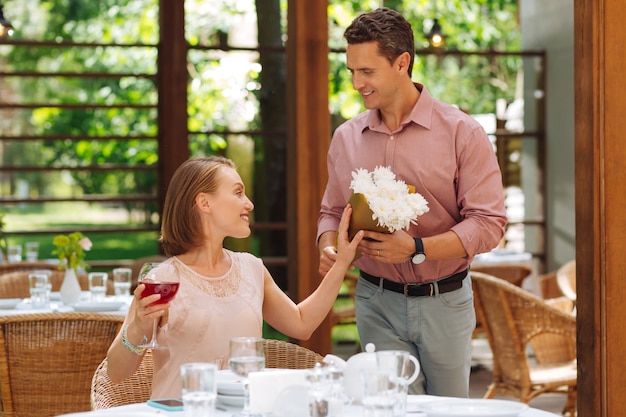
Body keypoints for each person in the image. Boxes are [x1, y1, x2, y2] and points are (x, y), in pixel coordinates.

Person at [317, 8, 507, 397]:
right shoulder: (346, 138)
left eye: (367, 72)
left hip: (446, 301)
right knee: (389, 408)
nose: (356, 84)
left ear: (402, 63)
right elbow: (332, 212)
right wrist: (329, 245)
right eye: (351, 70)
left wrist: (417, 248)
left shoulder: (463, 133)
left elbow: (488, 223)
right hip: (375, 301)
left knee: (447, 410)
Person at [107, 155, 364, 399]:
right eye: (238, 192)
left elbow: (301, 323)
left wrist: (341, 264)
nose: (249, 204)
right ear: (204, 203)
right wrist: (139, 326)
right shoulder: (163, 281)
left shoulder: (252, 268)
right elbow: (116, 373)